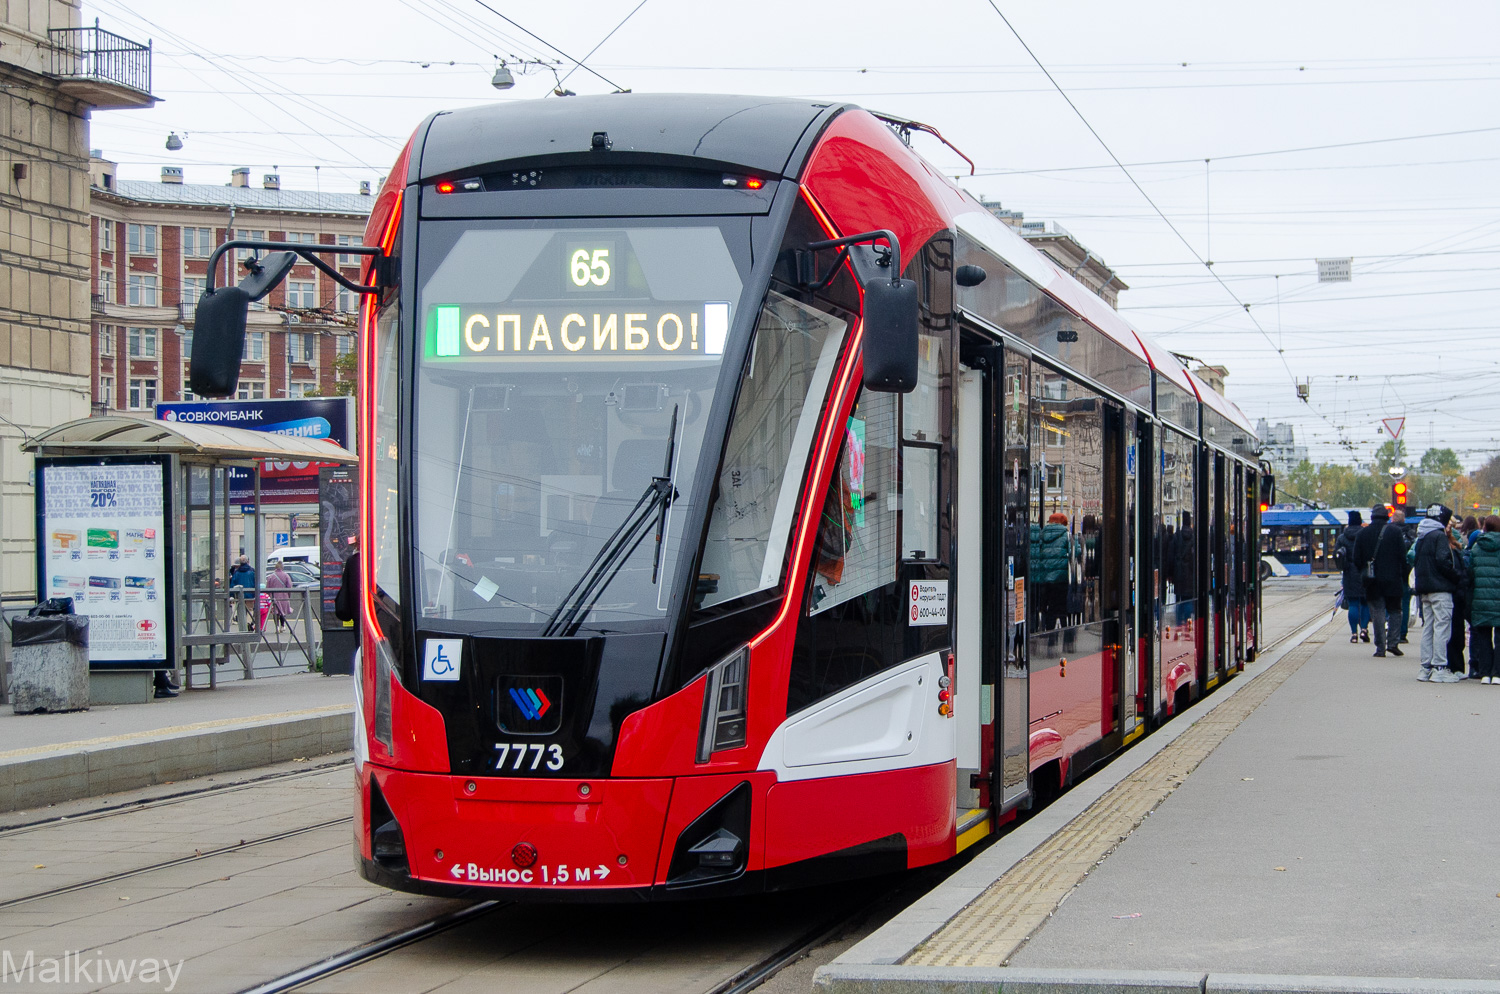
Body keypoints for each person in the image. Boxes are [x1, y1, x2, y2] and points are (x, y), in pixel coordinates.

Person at [1412, 504, 1464, 683]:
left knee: (1428, 628)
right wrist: (1456, 576)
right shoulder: (1439, 536)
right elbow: (1443, 562)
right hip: (1441, 589)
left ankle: (1425, 667)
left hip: (1425, 589)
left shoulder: (1422, 536)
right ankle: (1440, 667)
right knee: (1442, 628)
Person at [1355, 505, 1400, 657]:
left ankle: (1380, 647)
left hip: (1372, 580)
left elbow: (1356, 558)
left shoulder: (1363, 533)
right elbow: (1402, 555)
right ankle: (1393, 643)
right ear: (1387, 517)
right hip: (1393, 579)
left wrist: (1364, 570)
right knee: (1395, 611)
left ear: (1372, 517)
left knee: (1377, 612)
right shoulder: (1395, 532)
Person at [1468, 515, 1500, 684]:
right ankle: (1497, 674)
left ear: (1485, 527)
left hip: (1480, 598)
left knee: (1484, 637)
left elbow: (1470, 573)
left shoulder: (1477, 547)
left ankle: (1485, 673)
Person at [1335, 510, 1370, 644]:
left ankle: (1354, 634)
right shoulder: (1365, 535)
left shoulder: (1342, 537)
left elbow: (1337, 555)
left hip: (1349, 572)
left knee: (1353, 604)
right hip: (1364, 571)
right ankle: (1364, 629)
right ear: (1360, 521)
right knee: (1365, 602)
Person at [228, 555, 257, 630]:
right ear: (248, 561)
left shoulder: (237, 573)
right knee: (250, 609)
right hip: (250, 594)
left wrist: (231, 595)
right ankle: (249, 622)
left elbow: (232, 584)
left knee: (241, 610)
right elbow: (256, 582)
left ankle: (243, 626)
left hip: (239, 595)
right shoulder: (252, 571)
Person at [265, 561, 293, 633]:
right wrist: (288, 595)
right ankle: (282, 626)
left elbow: (267, 588)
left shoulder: (271, 576)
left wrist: (269, 596)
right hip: (284, 596)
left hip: (274, 597)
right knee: (282, 611)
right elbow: (289, 586)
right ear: (282, 567)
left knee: (275, 612)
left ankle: (277, 627)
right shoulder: (286, 575)